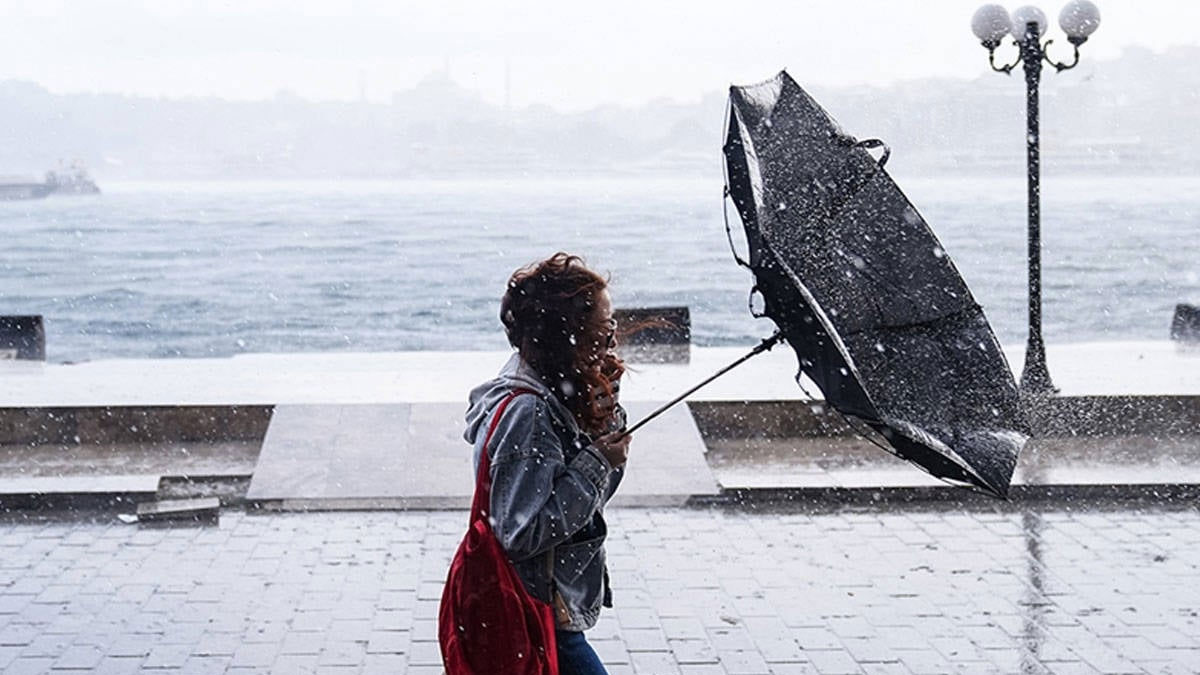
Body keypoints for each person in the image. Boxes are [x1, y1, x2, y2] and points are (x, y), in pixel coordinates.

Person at [462, 252, 630, 675]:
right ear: (566, 336)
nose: (610, 343)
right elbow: (523, 532)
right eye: (601, 332)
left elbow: (591, 501)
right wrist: (596, 460)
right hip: (535, 610)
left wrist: (603, 420)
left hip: (543, 608)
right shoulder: (529, 414)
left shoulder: (550, 393)